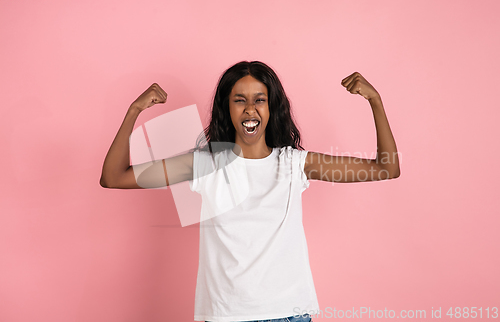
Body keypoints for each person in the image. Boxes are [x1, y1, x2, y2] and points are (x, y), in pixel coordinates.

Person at [100, 61, 400, 322]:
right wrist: (134, 111)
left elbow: (386, 169)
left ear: (272, 107)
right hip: (225, 315)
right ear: (226, 107)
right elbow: (113, 177)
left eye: (260, 99)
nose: (250, 109)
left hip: (288, 313)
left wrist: (375, 100)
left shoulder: (295, 164)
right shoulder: (205, 164)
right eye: (239, 100)